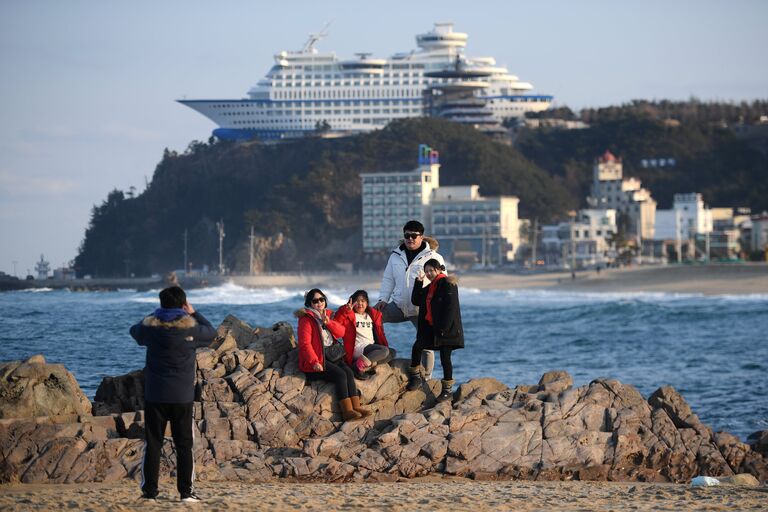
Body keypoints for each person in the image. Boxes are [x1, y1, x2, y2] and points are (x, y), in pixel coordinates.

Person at [129, 286, 217, 503]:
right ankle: (186, 493)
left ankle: (150, 493)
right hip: (182, 397)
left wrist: (154, 314)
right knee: (184, 445)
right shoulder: (192, 330)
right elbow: (212, 333)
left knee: (153, 443)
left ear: (161, 305)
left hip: (155, 395)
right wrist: (194, 313)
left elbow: (135, 330)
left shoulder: (152, 330)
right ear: (183, 305)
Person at [373, 220, 445, 380]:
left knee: (426, 343)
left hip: (421, 309)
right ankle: (376, 356)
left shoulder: (433, 257)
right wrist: (383, 299)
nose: (410, 239)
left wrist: (439, 307)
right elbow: (388, 279)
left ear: (422, 237)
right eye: (407, 236)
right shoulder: (395, 256)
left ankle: (426, 377)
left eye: (414, 236)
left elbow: (442, 282)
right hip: (398, 306)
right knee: (372, 319)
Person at [295, 288, 369, 421]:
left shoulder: (328, 314)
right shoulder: (306, 320)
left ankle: (356, 407)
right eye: (315, 301)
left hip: (332, 355)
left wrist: (328, 322)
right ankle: (347, 412)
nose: (319, 303)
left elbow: (341, 332)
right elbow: (305, 344)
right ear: (310, 303)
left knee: (349, 373)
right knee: (340, 375)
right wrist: (314, 362)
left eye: (321, 299)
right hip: (317, 361)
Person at [407, 259, 464, 402]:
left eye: (431, 270)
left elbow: (451, 308)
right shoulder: (430, 286)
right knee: (417, 346)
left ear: (438, 270)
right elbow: (416, 300)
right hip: (433, 329)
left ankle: (447, 391)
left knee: (445, 359)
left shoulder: (448, 284)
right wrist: (419, 282)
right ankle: (415, 378)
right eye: (426, 271)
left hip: (447, 330)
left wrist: (444, 328)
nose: (428, 273)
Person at [333, 290, 395, 380]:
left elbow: (379, 333)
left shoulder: (372, 315)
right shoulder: (350, 315)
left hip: (370, 346)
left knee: (392, 352)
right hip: (358, 347)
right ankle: (358, 367)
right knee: (384, 351)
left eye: (362, 301)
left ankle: (363, 365)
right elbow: (336, 324)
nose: (360, 304)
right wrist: (345, 311)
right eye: (357, 301)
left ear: (367, 303)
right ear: (353, 303)